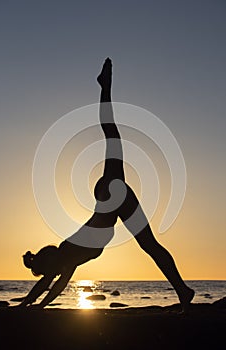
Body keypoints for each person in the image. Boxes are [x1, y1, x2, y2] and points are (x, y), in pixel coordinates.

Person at [19, 58, 194, 311]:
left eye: (49, 270)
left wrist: (34, 305)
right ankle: (182, 290)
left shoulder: (67, 256)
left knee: (112, 135)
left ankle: (105, 88)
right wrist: (30, 302)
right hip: (112, 199)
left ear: (52, 262)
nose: (53, 275)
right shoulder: (65, 259)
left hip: (109, 197)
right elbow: (50, 283)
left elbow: (51, 284)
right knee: (150, 245)